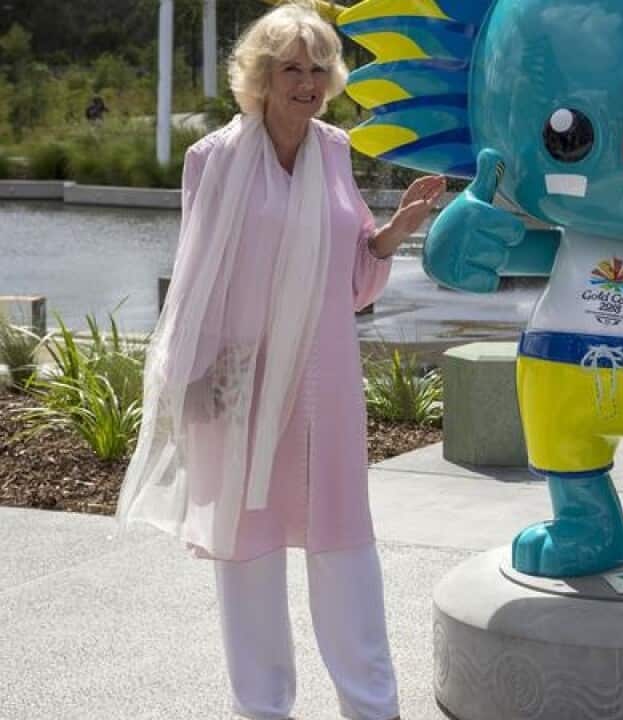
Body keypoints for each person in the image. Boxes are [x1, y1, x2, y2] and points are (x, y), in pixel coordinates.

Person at [115, 4, 445, 719]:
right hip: (239, 382)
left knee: (344, 547)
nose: (307, 80)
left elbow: (352, 275)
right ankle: (261, 708)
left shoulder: (333, 149)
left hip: (324, 384)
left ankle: (371, 705)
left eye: (318, 67)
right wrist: (191, 384)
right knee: (248, 556)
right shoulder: (213, 160)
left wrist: (396, 232)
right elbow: (197, 277)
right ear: (260, 77)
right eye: (291, 67)